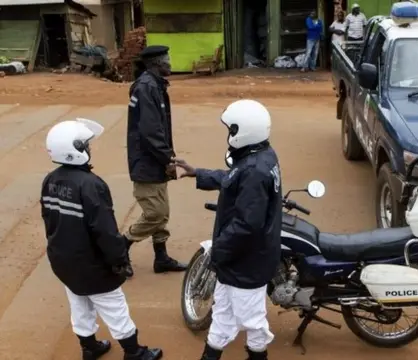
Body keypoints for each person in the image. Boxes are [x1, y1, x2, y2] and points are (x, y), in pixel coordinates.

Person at [41, 118, 163, 360]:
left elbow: (48, 219)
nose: (89, 148)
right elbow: (105, 230)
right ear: (75, 150)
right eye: (85, 145)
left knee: (79, 302)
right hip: (92, 264)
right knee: (113, 305)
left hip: (62, 260)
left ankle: (89, 347)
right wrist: (119, 259)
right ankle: (133, 351)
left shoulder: (50, 180)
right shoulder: (91, 185)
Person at [172, 99, 283, 360]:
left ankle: (258, 356)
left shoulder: (255, 170)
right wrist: (197, 173)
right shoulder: (260, 156)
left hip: (246, 262)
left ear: (241, 131)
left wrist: (218, 250)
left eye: (231, 130)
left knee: (252, 321)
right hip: (237, 261)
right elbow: (232, 179)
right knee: (222, 311)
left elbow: (247, 225)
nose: (228, 135)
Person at [123, 45, 187, 277]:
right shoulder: (147, 88)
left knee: (163, 212)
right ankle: (122, 246)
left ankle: (161, 258)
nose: (171, 63)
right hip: (147, 162)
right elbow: (150, 131)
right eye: (167, 60)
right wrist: (167, 158)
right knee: (155, 213)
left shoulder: (155, 86)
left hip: (155, 160)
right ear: (157, 64)